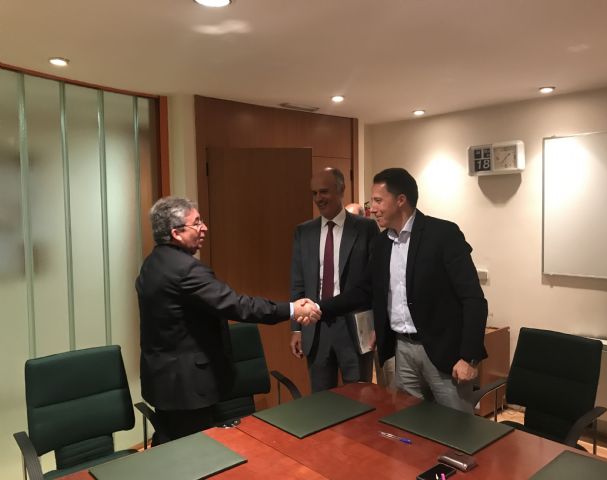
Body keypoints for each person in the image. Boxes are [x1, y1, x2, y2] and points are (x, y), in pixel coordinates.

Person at [136, 196, 319, 445]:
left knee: (173, 445)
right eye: (196, 223)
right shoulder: (185, 269)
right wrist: (291, 309)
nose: (204, 228)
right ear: (176, 233)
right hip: (187, 387)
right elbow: (237, 305)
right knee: (197, 451)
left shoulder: (152, 263)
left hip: (163, 380)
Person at [318, 168, 487, 412]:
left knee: (457, 428)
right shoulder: (382, 243)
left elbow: (473, 299)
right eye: (371, 202)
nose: (372, 209)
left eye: (378, 201)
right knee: (409, 425)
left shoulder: (443, 235)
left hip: (444, 353)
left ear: (400, 200)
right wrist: (318, 307)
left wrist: (469, 357)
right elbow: (365, 291)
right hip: (402, 350)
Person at [289, 168, 379, 392]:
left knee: (359, 397)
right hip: (316, 328)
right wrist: (296, 329)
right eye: (314, 193)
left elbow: (376, 282)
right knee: (321, 401)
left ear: (341, 190)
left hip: (354, 328)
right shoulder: (304, 232)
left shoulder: (365, 228)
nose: (318, 198)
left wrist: (379, 325)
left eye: (324, 191)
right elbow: (298, 283)